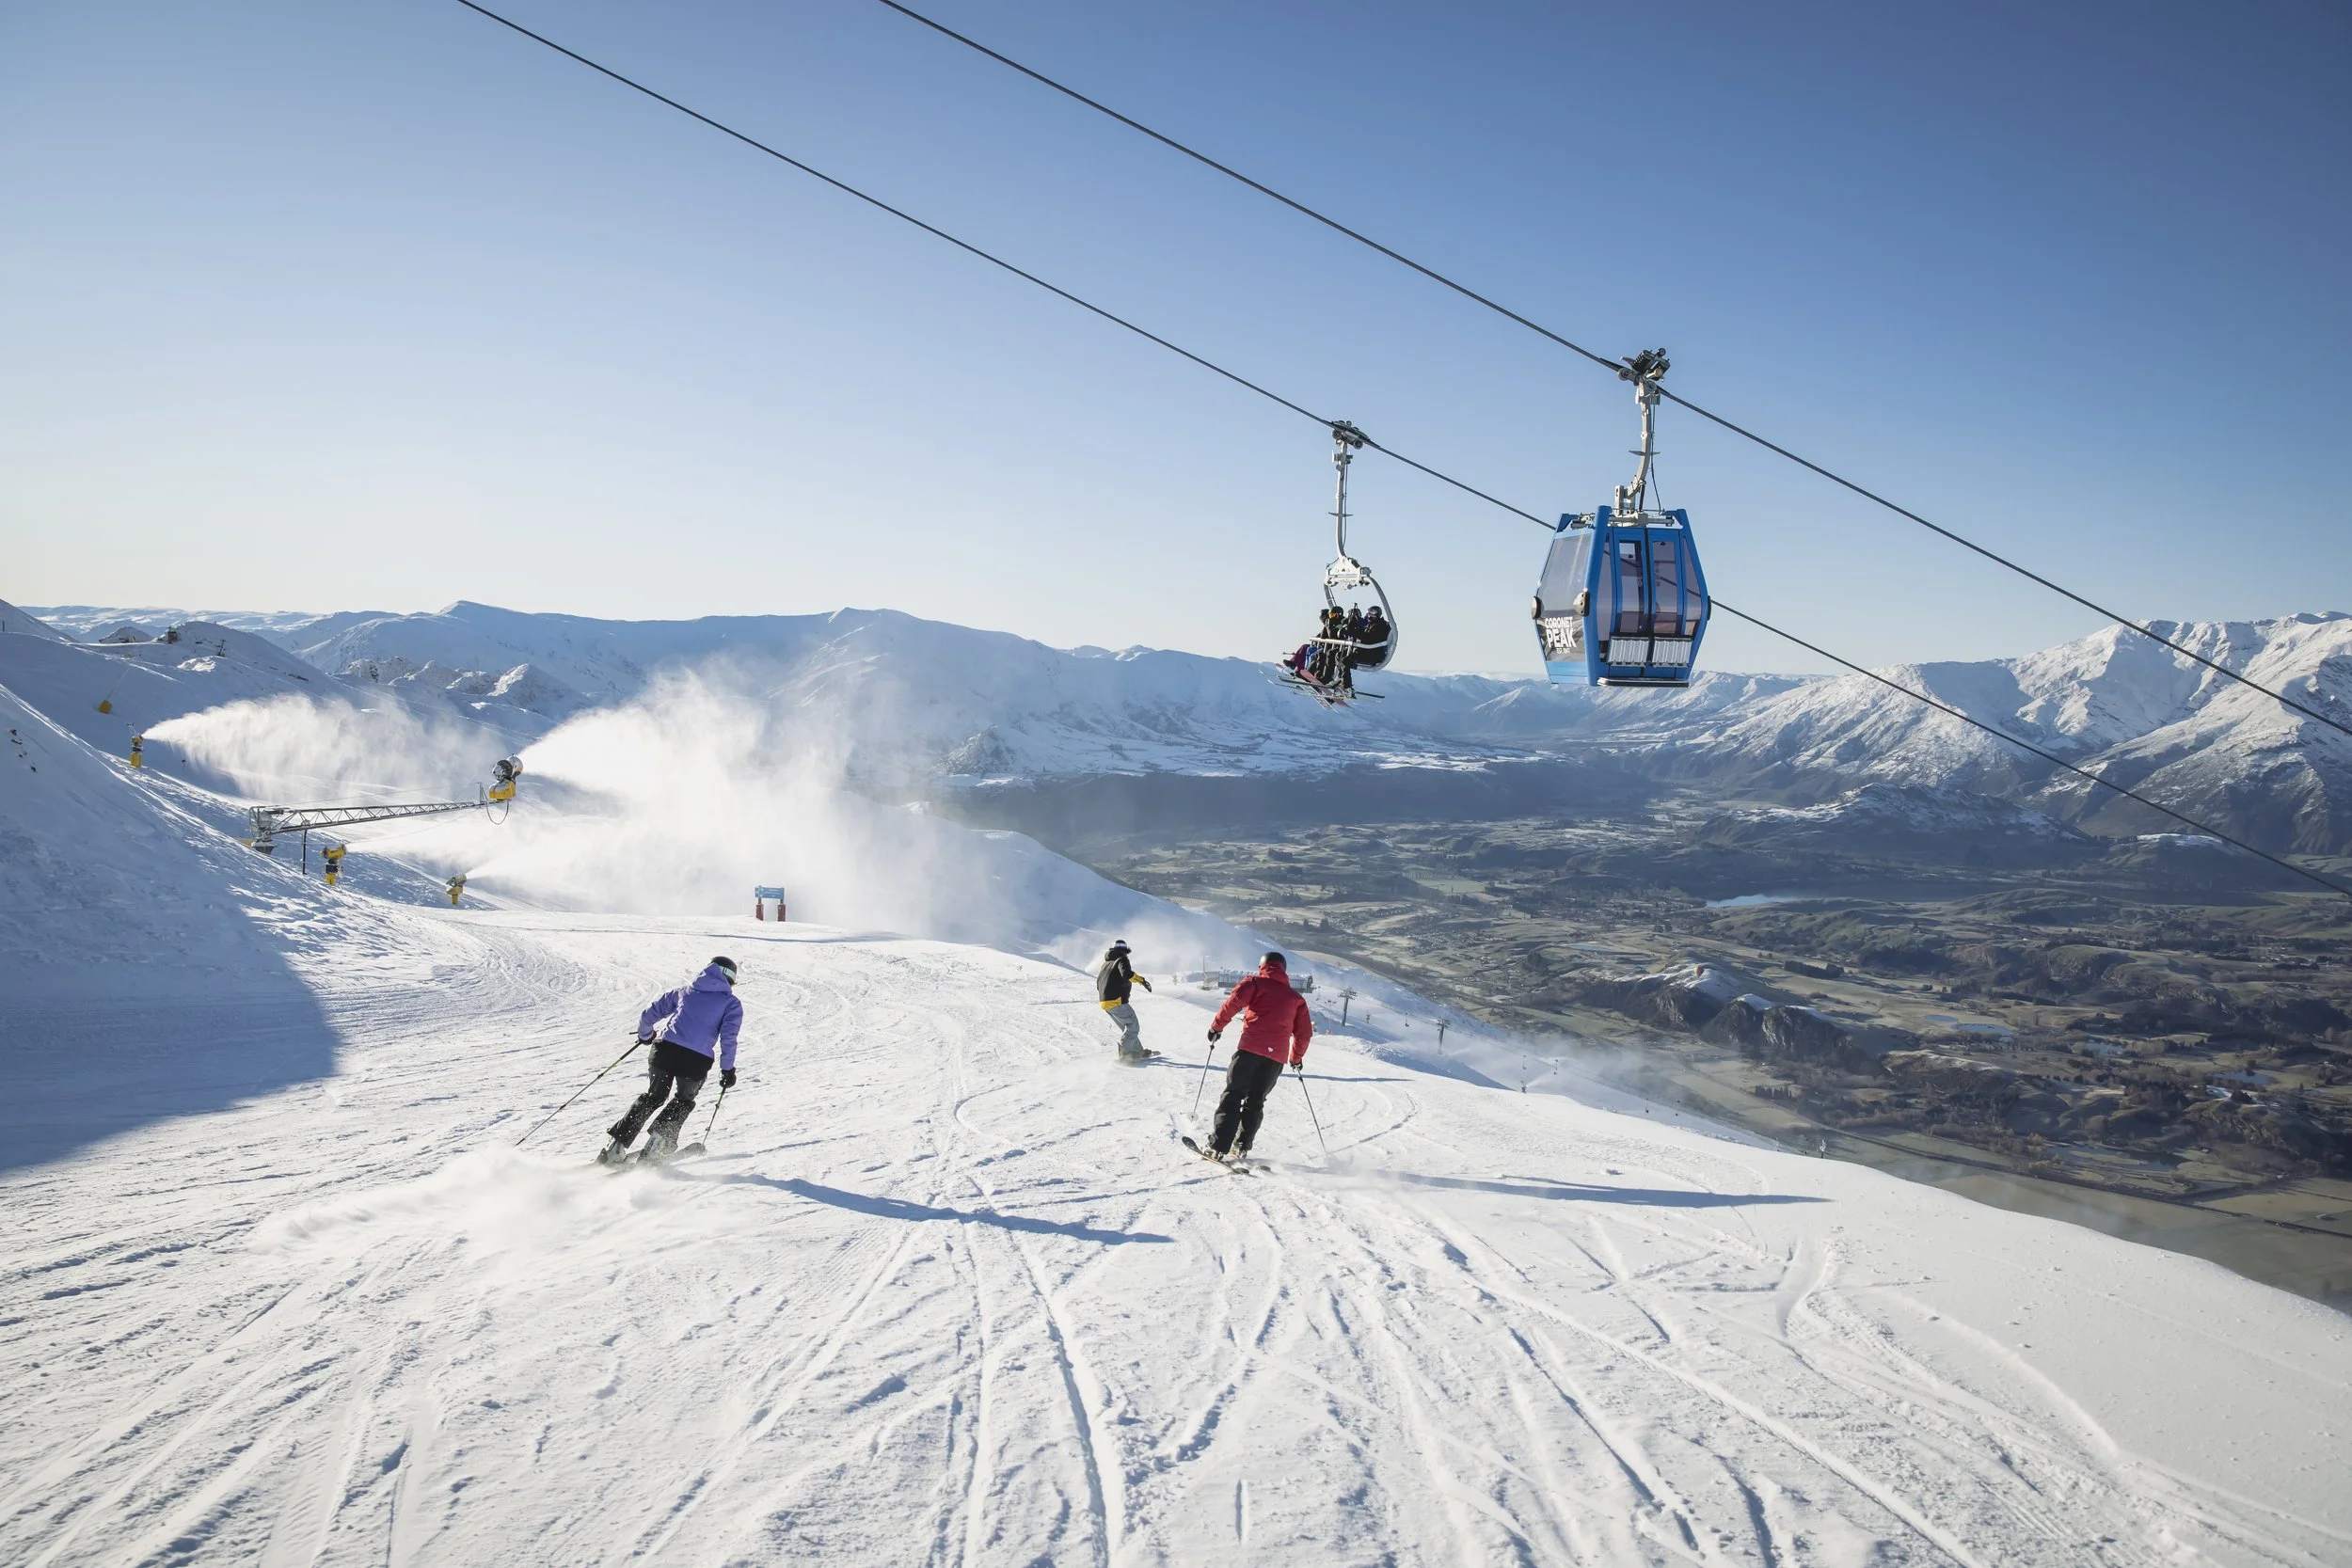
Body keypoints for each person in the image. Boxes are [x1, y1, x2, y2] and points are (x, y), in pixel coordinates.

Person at [600, 956, 743, 1164]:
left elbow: (649, 1014)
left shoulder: (684, 991)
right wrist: (727, 1070)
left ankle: (615, 1146)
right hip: (695, 1061)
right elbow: (728, 1038)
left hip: (664, 1051)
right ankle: (656, 1146)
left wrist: (645, 1035)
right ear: (729, 979)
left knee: (653, 1096)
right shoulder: (731, 1003)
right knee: (683, 1100)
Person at [1203, 952, 1313, 1162]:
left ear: (1262, 966)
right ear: (1284, 969)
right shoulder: (1296, 999)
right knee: (1256, 1101)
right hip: (1276, 1060)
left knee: (1233, 1095)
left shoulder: (1254, 983)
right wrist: (1296, 1058)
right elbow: (1304, 1033)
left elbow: (1233, 1003)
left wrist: (1217, 1027)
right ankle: (1241, 1146)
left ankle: (1218, 1146)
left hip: (1249, 1051)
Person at [1096, 940, 1155, 1062]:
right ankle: (1125, 1053)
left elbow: (1098, 983)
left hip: (1104, 1002)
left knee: (1127, 1028)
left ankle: (1137, 1051)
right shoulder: (1121, 959)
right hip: (1116, 1001)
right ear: (1124, 950)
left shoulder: (1105, 964)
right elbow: (1127, 974)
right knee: (1133, 1026)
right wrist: (1142, 981)